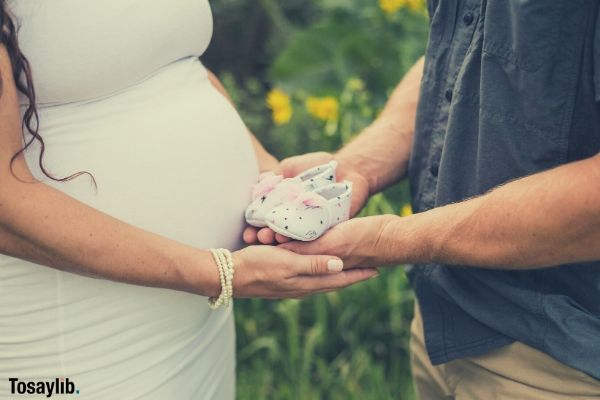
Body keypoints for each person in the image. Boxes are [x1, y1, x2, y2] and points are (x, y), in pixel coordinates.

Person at [0, 1, 378, 399]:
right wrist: (218, 273)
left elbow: (174, 64)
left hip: (196, 317)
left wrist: (273, 180)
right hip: (74, 330)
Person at [246, 1, 600, 398]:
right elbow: (464, 47)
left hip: (561, 359)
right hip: (441, 323)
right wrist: (357, 167)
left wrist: (393, 239)